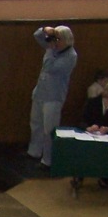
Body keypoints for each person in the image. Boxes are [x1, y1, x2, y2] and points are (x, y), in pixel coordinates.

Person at [27, 24, 77, 170]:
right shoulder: (54, 47)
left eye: (58, 39)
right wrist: (46, 30)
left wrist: (49, 49)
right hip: (40, 93)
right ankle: (34, 151)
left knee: (49, 130)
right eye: (55, 38)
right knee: (35, 124)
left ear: (67, 40)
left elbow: (50, 67)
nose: (55, 42)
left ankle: (47, 160)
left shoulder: (70, 56)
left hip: (53, 97)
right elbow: (37, 36)